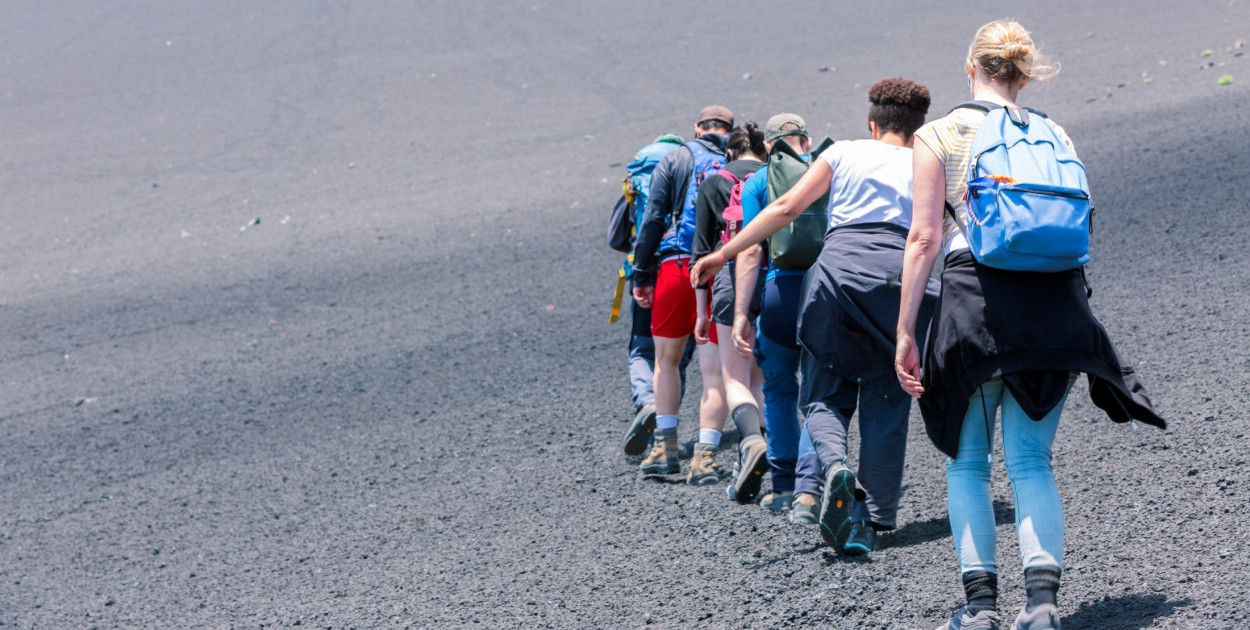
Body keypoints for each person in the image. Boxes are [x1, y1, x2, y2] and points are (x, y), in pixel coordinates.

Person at [894, 20, 1166, 630]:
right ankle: (1041, 607)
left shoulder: (938, 133)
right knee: (1031, 462)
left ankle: (981, 610)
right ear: (1022, 72)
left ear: (972, 67)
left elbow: (925, 236)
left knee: (967, 463)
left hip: (974, 304)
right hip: (1055, 309)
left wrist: (907, 330)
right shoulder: (1054, 132)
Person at [692, 78, 940, 556]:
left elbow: (786, 208)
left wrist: (723, 254)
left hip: (837, 277)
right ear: (917, 127)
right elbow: (936, 234)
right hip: (901, 280)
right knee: (888, 398)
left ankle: (833, 469)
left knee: (824, 394)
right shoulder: (927, 162)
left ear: (873, 125)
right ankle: (871, 518)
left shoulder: (844, 151)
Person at [629, 105, 734, 484]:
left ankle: (665, 447)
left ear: (697, 127)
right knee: (714, 371)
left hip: (675, 266)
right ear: (729, 129)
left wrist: (641, 273)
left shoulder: (675, 157)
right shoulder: (735, 161)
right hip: (719, 269)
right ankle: (705, 457)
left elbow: (653, 218)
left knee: (666, 362)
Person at [732, 113, 821, 519]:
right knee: (820, 394)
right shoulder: (827, 171)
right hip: (825, 291)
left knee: (781, 389)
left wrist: (741, 314)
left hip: (779, 293)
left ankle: (783, 486)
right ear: (806, 140)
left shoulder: (756, 183)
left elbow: (751, 251)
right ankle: (810, 491)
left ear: (768, 146)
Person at [691, 122, 769, 502]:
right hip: (776, 281)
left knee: (734, 377)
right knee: (764, 379)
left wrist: (702, 311)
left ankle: (751, 442)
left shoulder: (714, 183)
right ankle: (781, 468)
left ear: (731, 153)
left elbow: (703, 254)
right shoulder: (778, 178)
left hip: (729, 284)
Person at [616, 135, 695, 457]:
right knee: (675, 360)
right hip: (684, 266)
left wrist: (641, 271)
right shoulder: (691, 167)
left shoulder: (638, 174)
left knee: (642, 350)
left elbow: (619, 234)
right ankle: (666, 432)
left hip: (646, 271)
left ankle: (646, 401)